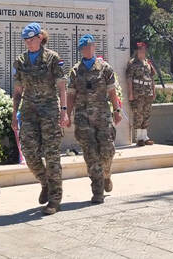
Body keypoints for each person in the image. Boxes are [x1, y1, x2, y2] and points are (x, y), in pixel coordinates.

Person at [10, 23, 69, 215]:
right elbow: (18, 91)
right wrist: (14, 115)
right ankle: (44, 182)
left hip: (49, 110)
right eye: (26, 40)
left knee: (52, 155)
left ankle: (55, 199)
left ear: (40, 38)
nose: (28, 43)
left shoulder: (52, 58)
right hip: (29, 111)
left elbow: (61, 86)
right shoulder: (20, 61)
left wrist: (64, 111)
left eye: (31, 39)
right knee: (29, 152)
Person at [67, 34, 122, 204]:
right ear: (81, 50)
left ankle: (106, 174)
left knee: (107, 150)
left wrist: (117, 110)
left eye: (90, 46)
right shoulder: (75, 71)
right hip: (83, 118)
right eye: (84, 47)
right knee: (90, 154)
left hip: (103, 116)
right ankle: (97, 189)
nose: (88, 49)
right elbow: (70, 95)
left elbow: (112, 92)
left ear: (94, 47)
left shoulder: (105, 68)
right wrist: (67, 114)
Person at [126, 41, 156, 146]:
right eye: (140, 51)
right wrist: (130, 93)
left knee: (146, 114)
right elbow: (129, 78)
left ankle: (145, 136)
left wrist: (154, 91)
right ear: (137, 52)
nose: (142, 53)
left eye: (144, 51)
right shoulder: (132, 63)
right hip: (138, 93)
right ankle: (139, 138)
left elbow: (152, 78)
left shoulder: (148, 63)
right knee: (138, 114)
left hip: (148, 92)